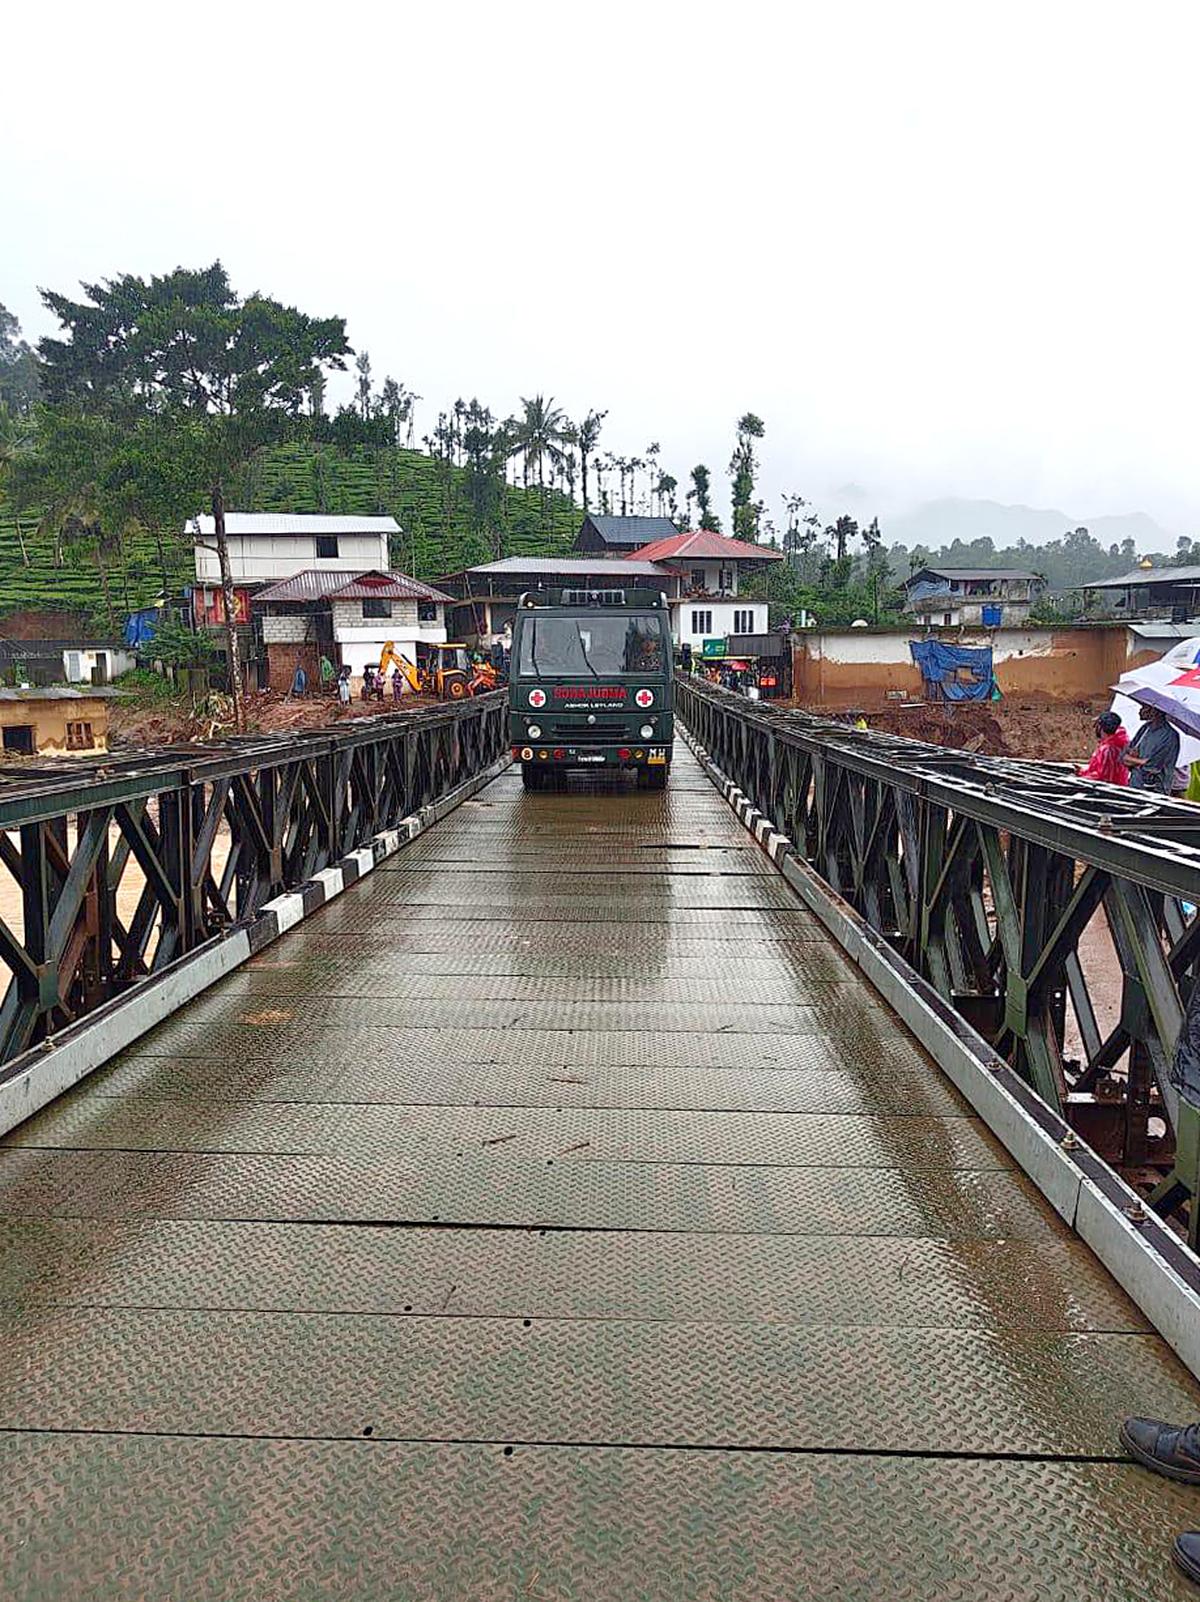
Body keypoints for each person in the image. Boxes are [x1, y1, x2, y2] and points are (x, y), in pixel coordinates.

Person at [1125, 704, 1181, 793]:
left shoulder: (1170, 736)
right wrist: (1139, 761)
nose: (1141, 710)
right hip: (1135, 784)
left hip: (1155, 790)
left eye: (1145, 707)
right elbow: (1125, 757)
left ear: (1155, 710)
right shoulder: (1145, 728)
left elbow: (1152, 765)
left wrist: (1135, 761)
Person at [1078, 711, 1130, 786]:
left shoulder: (1109, 749)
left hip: (1109, 792)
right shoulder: (1119, 744)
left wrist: (1082, 777)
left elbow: (1103, 777)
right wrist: (1083, 772)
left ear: (1100, 727)